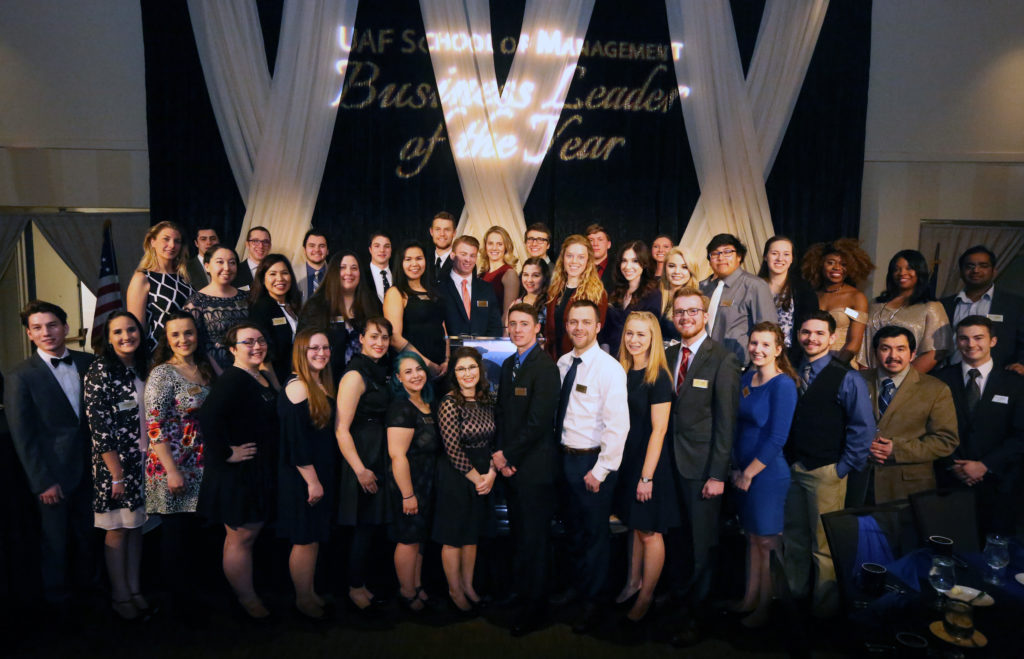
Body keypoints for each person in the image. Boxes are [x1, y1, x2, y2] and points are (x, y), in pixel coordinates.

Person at [783, 311, 873, 619]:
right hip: (792, 468)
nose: (812, 338)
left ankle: (823, 613)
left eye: (820, 333)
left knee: (824, 548)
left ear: (832, 338)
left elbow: (863, 428)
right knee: (793, 539)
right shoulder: (791, 371)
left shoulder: (847, 377)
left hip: (826, 472)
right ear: (798, 336)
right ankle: (795, 601)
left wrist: (842, 468)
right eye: (806, 332)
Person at [6, 301, 96, 606]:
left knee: (90, 538)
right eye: (38, 327)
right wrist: (42, 482)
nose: (46, 332)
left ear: (66, 328)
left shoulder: (89, 363)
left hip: (94, 469)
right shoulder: (20, 376)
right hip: (53, 476)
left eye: (53, 325)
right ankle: (60, 606)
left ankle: (93, 598)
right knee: (55, 544)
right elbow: (23, 435)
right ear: (30, 334)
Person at [665, 287, 740, 646]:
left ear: (705, 315)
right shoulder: (667, 355)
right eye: (679, 312)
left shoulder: (722, 358)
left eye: (693, 311)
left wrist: (717, 474)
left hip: (702, 472)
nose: (685, 318)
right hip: (671, 467)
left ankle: (698, 617)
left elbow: (726, 424)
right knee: (679, 543)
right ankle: (680, 606)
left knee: (702, 547)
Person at [550, 299, 629, 634]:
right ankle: (577, 588)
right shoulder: (563, 362)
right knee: (573, 531)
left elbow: (618, 426)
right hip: (563, 459)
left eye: (586, 322)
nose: (578, 328)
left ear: (598, 327)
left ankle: (593, 602)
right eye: (573, 322)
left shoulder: (609, 368)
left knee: (595, 536)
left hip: (592, 463)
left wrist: (601, 470)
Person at [197, 322, 279, 619]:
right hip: (238, 474)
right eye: (248, 342)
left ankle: (250, 593)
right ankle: (246, 599)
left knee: (250, 535)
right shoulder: (233, 379)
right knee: (240, 537)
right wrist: (226, 453)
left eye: (260, 340)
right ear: (232, 350)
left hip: (258, 470)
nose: (256, 346)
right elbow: (207, 418)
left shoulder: (259, 375)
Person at [493, 303, 561, 636]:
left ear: (537, 328)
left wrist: (508, 455)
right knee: (519, 537)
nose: (518, 329)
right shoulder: (508, 365)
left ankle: (536, 608)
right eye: (513, 324)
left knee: (535, 541)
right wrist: (502, 456)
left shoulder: (545, 367)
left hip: (535, 469)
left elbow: (538, 423)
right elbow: (503, 415)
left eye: (524, 324)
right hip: (512, 467)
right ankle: (521, 594)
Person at [729, 322, 798, 628]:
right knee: (752, 539)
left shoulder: (783, 385)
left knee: (768, 543)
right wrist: (735, 467)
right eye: (754, 343)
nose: (758, 349)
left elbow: (777, 438)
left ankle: (765, 608)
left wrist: (749, 473)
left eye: (766, 344)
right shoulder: (747, 377)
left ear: (778, 350)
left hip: (767, 475)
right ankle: (750, 598)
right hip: (742, 471)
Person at [143, 312, 214, 609]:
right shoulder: (162, 374)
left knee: (196, 538)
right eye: (176, 335)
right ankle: (179, 607)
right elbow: (154, 426)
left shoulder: (204, 367)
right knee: (176, 540)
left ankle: (196, 599)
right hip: (172, 466)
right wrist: (172, 471)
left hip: (202, 464)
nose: (183, 340)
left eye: (188, 333)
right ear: (167, 339)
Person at [84, 311, 151, 620]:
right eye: (118, 332)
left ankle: (136, 589)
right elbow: (99, 428)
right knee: (118, 529)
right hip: (116, 468)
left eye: (131, 330)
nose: (127, 336)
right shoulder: (100, 371)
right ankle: (120, 594)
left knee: (137, 527)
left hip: (144, 461)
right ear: (108, 339)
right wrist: (116, 476)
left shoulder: (143, 366)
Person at [612, 311, 677, 623]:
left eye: (641, 335)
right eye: (630, 334)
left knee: (649, 532)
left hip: (648, 464)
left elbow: (659, 430)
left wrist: (646, 477)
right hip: (625, 462)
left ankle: (647, 596)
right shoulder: (621, 371)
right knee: (633, 528)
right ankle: (631, 583)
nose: (634, 340)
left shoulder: (659, 377)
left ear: (653, 339)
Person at [934, 316, 1024, 537]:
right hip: (949, 483)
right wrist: (953, 465)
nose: (971, 344)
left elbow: (1021, 435)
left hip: (999, 485)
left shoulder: (1015, 383)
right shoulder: (939, 380)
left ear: (993, 341)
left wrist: (985, 465)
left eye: (978, 337)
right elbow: (931, 429)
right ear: (957, 342)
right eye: (964, 338)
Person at [278, 329, 337, 620]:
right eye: (314, 348)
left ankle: (310, 592)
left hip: (318, 473)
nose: (321, 353)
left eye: (325, 347)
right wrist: (312, 482)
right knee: (303, 540)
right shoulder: (298, 386)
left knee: (312, 538)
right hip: (303, 478)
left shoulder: (319, 383)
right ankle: (303, 599)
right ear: (301, 351)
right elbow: (295, 441)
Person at [335, 318, 394, 611]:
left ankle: (366, 583)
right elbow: (340, 428)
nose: (379, 342)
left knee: (372, 526)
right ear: (361, 338)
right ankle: (354, 586)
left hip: (379, 452)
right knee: (361, 527)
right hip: (361, 456)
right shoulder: (355, 375)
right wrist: (359, 469)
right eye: (373, 336)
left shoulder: (381, 370)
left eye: (384, 337)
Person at [862, 325, 959, 503]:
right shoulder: (856, 381)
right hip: (859, 483)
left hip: (907, 489)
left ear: (913, 354)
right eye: (885, 349)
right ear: (875, 352)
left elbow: (946, 440)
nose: (893, 356)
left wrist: (897, 449)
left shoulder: (935, 389)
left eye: (901, 349)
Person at [434, 347, 497, 613]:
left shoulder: (488, 398)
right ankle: (455, 589)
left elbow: (496, 441)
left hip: (485, 473)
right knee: (454, 537)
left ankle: (469, 586)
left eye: (471, 367)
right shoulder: (449, 402)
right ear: (454, 374)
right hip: (457, 476)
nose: (467, 373)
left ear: (479, 370)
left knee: (472, 535)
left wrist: (491, 474)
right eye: (461, 369)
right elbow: (453, 450)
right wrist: (478, 479)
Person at [386, 351, 439, 613]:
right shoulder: (401, 407)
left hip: (427, 482)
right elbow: (397, 455)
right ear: (398, 378)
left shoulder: (428, 403)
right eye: (408, 372)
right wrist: (408, 495)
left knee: (419, 538)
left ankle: (416, 584)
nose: (415, 375)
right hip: (408, 483)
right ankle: (406, 592)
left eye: (418, 369)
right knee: (407, 539)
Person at [859, 249, 952, 372]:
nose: (902, 273)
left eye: (909, 268)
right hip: (870, 377)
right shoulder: (875, 303)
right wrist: (844, 309)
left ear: (920, 271)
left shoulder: (931, 306)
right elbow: (860, 326)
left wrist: (901, 380)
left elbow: (938, 350)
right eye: (896, 269)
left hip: (910, 381)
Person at [940, 245, 1024, 373]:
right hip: (951, 377)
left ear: (994, 271)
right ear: (961, 272)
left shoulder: (1015, 304)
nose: (976, 270)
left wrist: (1021, 363)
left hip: (999, 377)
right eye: (969, 266)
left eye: (983, 266)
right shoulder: (944, 305)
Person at [699, 233, 778, 365]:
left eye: (727, 252)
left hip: (739, 366)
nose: (721, 257)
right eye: (715, 253)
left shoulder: (754, 286)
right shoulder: (704, 287)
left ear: (739, 256)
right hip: (705, 364)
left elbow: (769, 331)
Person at [298, 250, 377, 380]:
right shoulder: (316, 306)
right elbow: (302, 348)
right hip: (326, 381)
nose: (349, 273)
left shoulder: (371, 302)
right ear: (334, 272)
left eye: (354, 268)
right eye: (342, 268)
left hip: (365, 380)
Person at [801, 239, 874, 367]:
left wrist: (835, 368)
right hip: (810, 364)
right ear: (819, 265)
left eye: (843, 264)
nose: (837, 268)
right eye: (830, 263)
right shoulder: (812, 295)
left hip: (841, 365)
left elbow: (855, 342)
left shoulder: (856, 298)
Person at [126, 221, 194, 352]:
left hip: (188, 351)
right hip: (159, 352)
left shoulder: (185, 278)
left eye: (177, 241)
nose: (172, 245)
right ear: (153, 242)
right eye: (166, 239)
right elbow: (136, 328)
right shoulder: (143, 278)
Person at [384, 241, 449, 376]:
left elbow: (443, 327)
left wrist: (447, 360)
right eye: (408, 259)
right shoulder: (396, 293)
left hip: (441, 369)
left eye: (419, 258)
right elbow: (395, 338)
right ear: (400, 263)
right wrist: (427, 364)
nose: (414, 264)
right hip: (413, 371)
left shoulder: (434, 291)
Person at [184, 245, 249, 374]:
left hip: (248, 368)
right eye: (220, 262)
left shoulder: (246, 297)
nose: (227, 268)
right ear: (207, 266)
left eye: (232, 263)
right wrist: (218, 374)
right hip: (214, 372)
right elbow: (196, 344)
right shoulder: (196, 302)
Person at [544, 235, 608, 360]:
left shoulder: (597, 294)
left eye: (581, 257)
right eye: (569, 256)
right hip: (554, 361)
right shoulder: (554, 290)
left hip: (581, 361)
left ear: (588, 260)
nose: (574, 261)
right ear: (563, 258)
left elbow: (596, 334)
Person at [757, 236, 818, 362]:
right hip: (757, 353)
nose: (780, 259)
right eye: (774, 253)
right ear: (765, 256)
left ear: (792, 259)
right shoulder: (752, 286)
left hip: (791, 358)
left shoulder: (804, 289)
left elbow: (811, 325)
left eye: (786, 254)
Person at [600, 240, 663, 354]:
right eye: (624, 261)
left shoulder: (653, 296)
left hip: (637, 358)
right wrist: (606, 357)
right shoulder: (616, 292)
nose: (628, 266)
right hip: (610, 358)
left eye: (635, 261)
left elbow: (651, 336)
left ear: (644, 264)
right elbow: (606, 331)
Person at [248, 254, 301, 386]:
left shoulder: (294, 304)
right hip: (277, 380)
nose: (280, 279)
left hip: (297, 377)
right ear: (263, 279)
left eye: (284, 273)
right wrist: (277, 389)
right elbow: (262, 358)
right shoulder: (261, 308)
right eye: (273, 274)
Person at [440, 235, 503, 338]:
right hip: (450, 351)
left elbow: (495, 327)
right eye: (463, 254)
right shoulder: (439, 288)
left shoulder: (486, 289)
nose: (468, 259)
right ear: (452, 255)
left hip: (482, 352)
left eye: (472, 255)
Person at [479, 225, 520, 327]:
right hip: (479, 332)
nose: (494, 248)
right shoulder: (480, 275)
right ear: (485, 246)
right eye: (490, 243)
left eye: (499, 244)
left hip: (496, 335)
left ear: (506, 247)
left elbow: (508, 315)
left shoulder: (509, 274)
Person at [659, 247, 700, 340]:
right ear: (665, 268)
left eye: (684, 267)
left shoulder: (696, 301)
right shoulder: (654, 293)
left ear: (691, 271)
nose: (677, 271)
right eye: (672, 266)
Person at [512, 257, 550, 332]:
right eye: (525, 275)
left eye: (535, 275)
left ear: (544, 277)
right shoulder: (515, 304)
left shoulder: (550, 304)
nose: (529, 280)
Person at [294, 229, 329, 303]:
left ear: (327, 250)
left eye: (321, 246)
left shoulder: (338, 274)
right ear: (304, 250)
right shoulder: (291, 273)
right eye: (312, 246)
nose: (317, 250)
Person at [233, 226, 272, 290]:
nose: (260, 246)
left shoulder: (277, 272)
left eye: (265, 242)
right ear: (247, 244)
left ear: (270, 246)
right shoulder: (234, 272)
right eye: (255, 241)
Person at [427, 211, 456, 286]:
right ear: (431, 232)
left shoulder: (463, 262)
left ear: (454, 233)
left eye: (447, 229)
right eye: (438, 229)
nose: (442, 234)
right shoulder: (424, 260)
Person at [585, 223, 616, 292]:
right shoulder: (578, 267)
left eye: (600, 239)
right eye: (591, 240)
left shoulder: (618, 268)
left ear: (608, 244)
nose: (595, 244)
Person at [367, 231, 393, 306]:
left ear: (391, 249)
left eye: (387, 246)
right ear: (370, 249)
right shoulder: (361, 274)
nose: (382, 250)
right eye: (377, 246)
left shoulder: (399, 272)